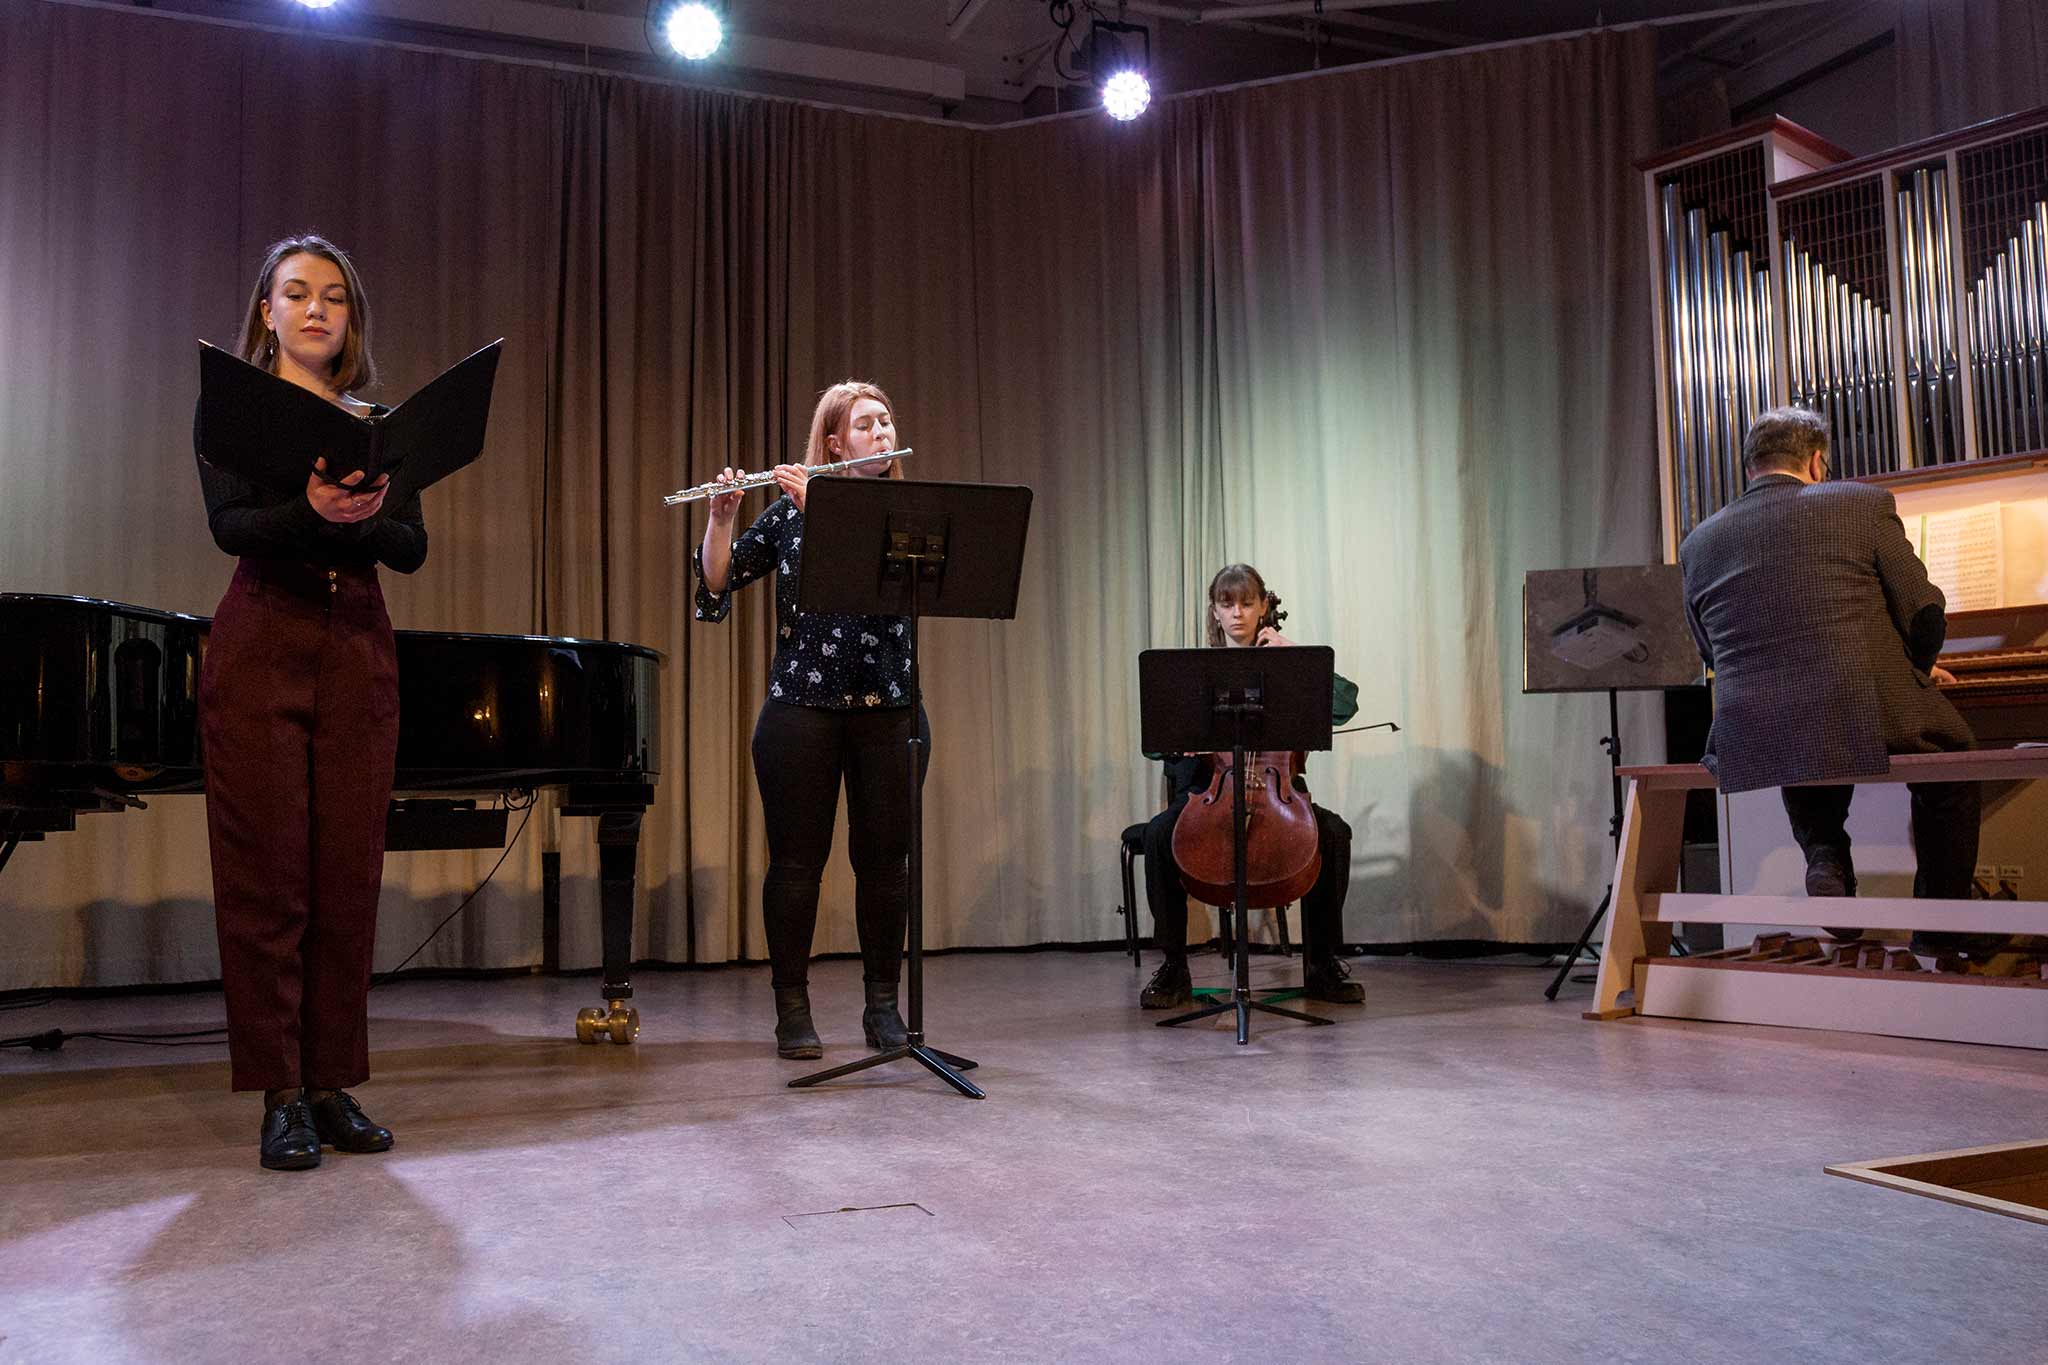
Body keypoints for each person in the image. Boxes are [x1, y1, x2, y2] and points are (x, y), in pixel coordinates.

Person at [196, 235, 426, 1170]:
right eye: (297, 293)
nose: (318, 310)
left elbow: (409, 545)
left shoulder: (376, 420)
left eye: (334, 296)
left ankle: (332, 1084)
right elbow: (228, 527)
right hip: (261, 639)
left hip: (358, 649)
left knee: (345, 879)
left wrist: (366, 515)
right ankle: (279, 1093)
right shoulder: (237, 412)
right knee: (268, 880)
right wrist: (314, 514)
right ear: (267, 310)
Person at [1679, 405, 1993, 956]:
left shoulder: (1699, 541)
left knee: (1802, 726)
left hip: (1751, 720)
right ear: (1818, 461)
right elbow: (1924, 614)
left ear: (1750, 465)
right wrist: (1918, 669)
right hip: (1861, 702)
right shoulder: (1861, 503)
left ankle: (1826, 855)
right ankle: (1941, 926)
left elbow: (1709, 649)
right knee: (1954, 761)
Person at [694, 380, 922, 1059]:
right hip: (800, 712)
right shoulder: (790, 514)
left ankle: (883, 1005)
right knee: (796, 865)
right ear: (833, 443)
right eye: (865, 424)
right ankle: (791, 1007)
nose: (882, 432)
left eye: (887, 421)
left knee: (885, 864)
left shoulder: (907, 513)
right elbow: (715, 585)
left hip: (890, 710)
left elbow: (886, 586)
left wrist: (828, 510)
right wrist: (721, 518)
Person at [1138, 563, 1367, 1010]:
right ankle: (1173, 968)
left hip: (1278, 794)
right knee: (1159, 835)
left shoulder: (1290, 662)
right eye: (1228, 604)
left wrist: (1294, 653)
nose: (1238, 613)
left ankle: (1321, 965)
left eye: (1247, 603)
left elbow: (1347, 706)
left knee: (1334, 834)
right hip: (1210, 794)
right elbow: (1153, 745)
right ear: (1215, 611)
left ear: (1264, 607)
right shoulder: (1193, 671)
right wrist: (1177, 745)